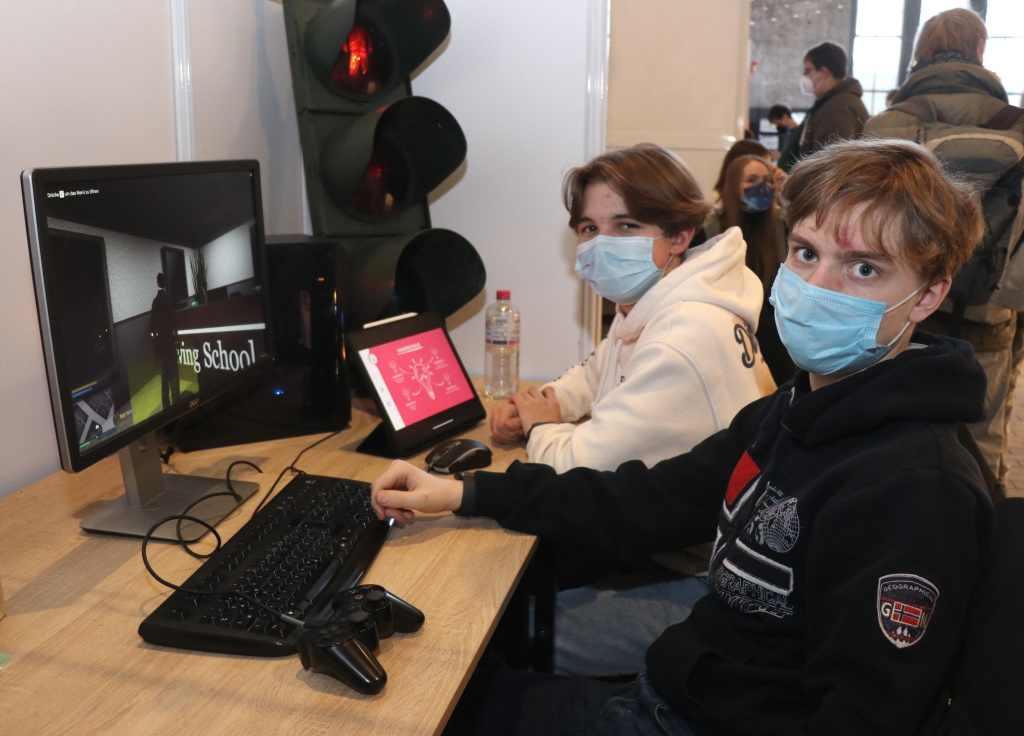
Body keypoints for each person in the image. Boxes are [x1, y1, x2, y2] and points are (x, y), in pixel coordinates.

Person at [372, 138, 994, 735]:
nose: (817, 286)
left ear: (928, 296)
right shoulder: (796, 408)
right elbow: (647, 499)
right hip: (677, 693)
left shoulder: (916, 490)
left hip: (690, 716)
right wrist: (465, 493)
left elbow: (859, 719)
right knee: (430, 682)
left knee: (423, 698)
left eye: (862, 268)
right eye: (806, 253)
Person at [490, 143, 774, 473]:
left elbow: (575, 470)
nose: (602, 243)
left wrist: (540, 425)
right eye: (590, 228)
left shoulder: (680, 337)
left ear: (679, 237)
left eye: (625, 225)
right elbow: (594, 374)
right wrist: (542, 402)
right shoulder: (652, 304)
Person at [865, 8, 1024, 486]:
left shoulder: (883, 127)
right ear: (980, 50)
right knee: (981, 441)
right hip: (988, 318)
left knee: (887, 432)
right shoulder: (1018, 126)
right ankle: (982, 517)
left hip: (895, 314)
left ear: (920, 54)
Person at [699, 154, 796, 383]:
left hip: (776, 328)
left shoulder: (782, 224)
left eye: (767, 180)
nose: (762, 186)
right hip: (725, 326)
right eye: (751, 180)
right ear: (734, 185)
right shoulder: (711, 228)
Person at [780, 41, 868, 172]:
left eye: (808, 71)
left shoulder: (839, 107)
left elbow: (832, 165)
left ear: (824, 72)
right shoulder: (832, 102)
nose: (805, 77)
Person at [151, 271, 179, 410]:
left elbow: (152, 326)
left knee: (164, 376)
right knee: (173, 374)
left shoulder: (155, 302)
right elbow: (174, 322)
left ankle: (166, 407)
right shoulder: (169, 300)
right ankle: (177, 405)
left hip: (161, 345)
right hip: (170, 343)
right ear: (165, 284)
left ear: (157, 284)